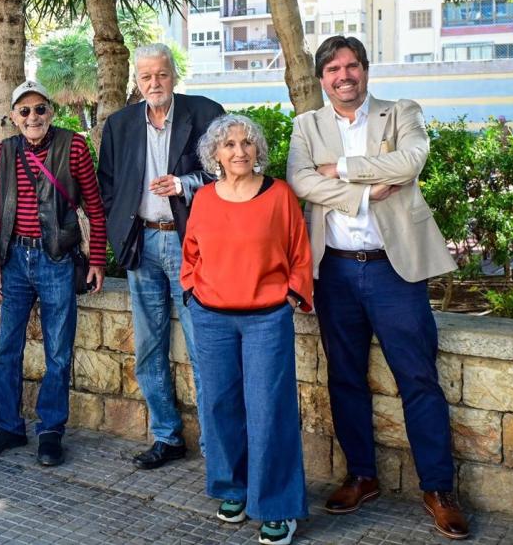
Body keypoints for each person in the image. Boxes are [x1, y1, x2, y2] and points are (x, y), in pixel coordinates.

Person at [287, 35, 469, 540]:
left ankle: (438, 488)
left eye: (352, 66)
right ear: (323, 78)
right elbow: (302, 181)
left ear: (365, 70)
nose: (344, 76)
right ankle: (362, 476)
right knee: (345, 378)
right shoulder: (307, 126)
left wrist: (342, 170)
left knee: (418, 379)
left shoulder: (400, 112)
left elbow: (410, 163)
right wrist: (367, 194)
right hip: (337, 273)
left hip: (395, 270)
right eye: (333, 70)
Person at [181, 113, 312, 545]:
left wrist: (293, 294)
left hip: (265, 319)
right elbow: (191, 251)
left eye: (246, 143)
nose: (239, 152)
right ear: (214, 154)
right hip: (211, 316)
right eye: (229, 145)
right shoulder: (204, 199)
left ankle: (276, 506)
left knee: (268, 411)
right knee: (219, 405)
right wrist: (190, 289)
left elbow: (299, 251)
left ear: (258, 150)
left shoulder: (279, 195)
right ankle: (231, 487)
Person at [97, 43, 223, 469]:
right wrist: (121, 233)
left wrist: (185, 183)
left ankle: (215, 446)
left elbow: (230, 172)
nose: (154, 83)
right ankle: (168, 437)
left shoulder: (205, 113)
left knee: (202, 346)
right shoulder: (119, 125)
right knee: (149, 348)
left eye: (162, 75)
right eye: (146, 76)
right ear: (137, 79)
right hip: (142, 244)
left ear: (174, 75)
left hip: (191, 246)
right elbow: (108, 186)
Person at [0, 80, 106, 468]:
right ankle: (8, 427)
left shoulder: (74, 146)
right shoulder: (6, 151)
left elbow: (95, 208)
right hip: (15, 260)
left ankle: (51, 431)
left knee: (59, 353)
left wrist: (96, 259)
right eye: (24, 111)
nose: (33, 117)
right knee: (6, 352)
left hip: (57, 260)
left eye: (39, 109)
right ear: (14, 117)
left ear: (51, 112)